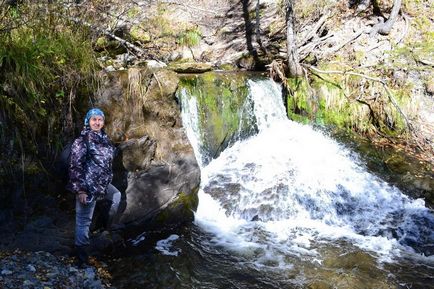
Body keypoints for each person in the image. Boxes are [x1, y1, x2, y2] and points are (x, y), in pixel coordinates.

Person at [66, 108, 121, 267]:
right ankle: (81, 260)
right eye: (94, 119)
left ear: (103, 122)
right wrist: (81, 190)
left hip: (102, 185)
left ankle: (100, 227)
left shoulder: (104, 138)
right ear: (88, 122)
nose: (97, 122)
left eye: (100, 120)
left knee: (116, 196)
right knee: (83, 222)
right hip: (88, 187)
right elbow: (75, 166)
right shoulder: (82, 141)